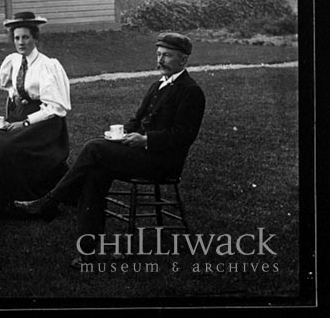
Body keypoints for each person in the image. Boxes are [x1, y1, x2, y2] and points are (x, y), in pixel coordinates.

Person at [14, 32, 206, 268]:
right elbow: (136, 120)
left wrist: (145, 140)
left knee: (94, 148)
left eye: (166, 55)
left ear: (183, 60)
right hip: (141, 155)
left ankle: (48, 203)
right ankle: (88, 251)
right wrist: (123, 134)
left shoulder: (190, 91)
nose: (160, 60)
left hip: (162, 162)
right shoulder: (158, 85)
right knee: (95, 173)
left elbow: (184, 136)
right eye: (158, 54)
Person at [0, 11, 71, 217]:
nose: (21, 42)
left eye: (25, 37)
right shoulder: (13, 61)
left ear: (35, 38)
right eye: (17, 38)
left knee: (5, 146)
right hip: (20, 118)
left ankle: (23, 200)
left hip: (45, 125)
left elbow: (56, 109)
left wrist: (25, 122)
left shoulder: (47, 65)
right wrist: (15, 97)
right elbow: (8, 84)